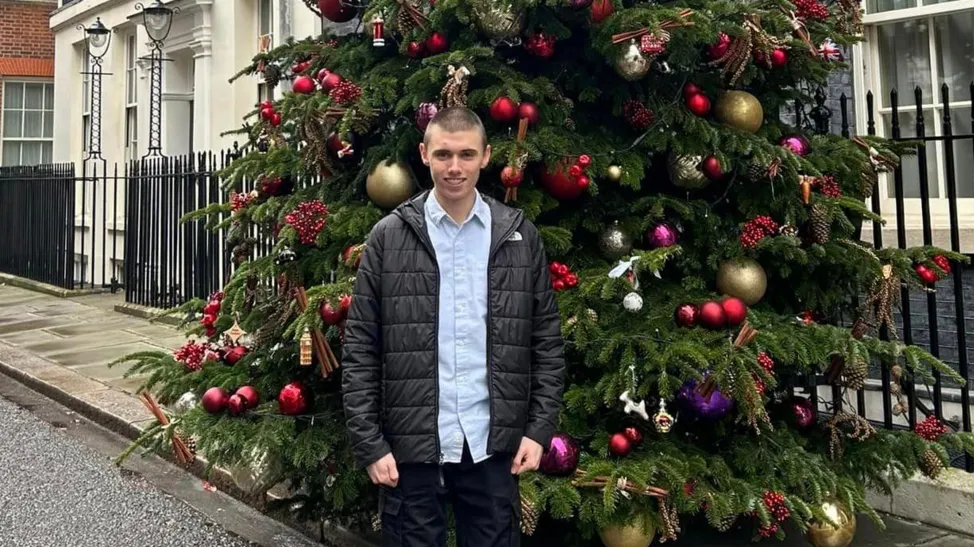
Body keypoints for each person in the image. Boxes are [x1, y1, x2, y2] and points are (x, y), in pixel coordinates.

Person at [342, 106, 566, 547]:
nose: (455, 167)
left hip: (492, 443)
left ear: (486, 157)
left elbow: (546, 343)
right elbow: (361, 350)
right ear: (424, 155)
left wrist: (538, 431)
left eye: (466, 154)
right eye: (444, 155)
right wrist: (371, 444)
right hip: (411, 445)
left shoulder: (518, 236)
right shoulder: (390, 237)